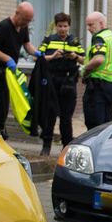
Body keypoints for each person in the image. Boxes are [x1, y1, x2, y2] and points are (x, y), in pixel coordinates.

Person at [0, 1, 40, 137]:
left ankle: (0, 131)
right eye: (25, 20)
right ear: (17, 14)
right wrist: (7, 59)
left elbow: (27, 44)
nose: (27, 24)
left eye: (29, 21)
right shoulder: (3, 27)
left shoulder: (23, 27)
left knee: (4, 104)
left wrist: (37, 53)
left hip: (8, 73)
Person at [35, 12, 85, 155]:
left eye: (65, 26)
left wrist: (74, 56)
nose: (62, 29)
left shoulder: (74, 41)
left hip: (68, 82)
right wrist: (52, 56)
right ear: (56, 26)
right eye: (59, 26)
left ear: (69, 26)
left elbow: (84, 60)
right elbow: (37, 58)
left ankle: (66, 148)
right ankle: (46, 146)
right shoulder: (49, 40)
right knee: (49, 116)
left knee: (66, 117)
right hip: (52, 82)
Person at [81, 11, 112, 130]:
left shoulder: (99, 38)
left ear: (101, 24)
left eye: (91, 25)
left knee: (94, 126)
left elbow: (99, 59)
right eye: (88, 25)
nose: (88, 28)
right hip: (111, 87)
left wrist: (84, 70)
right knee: (106, 124)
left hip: (97, 88)